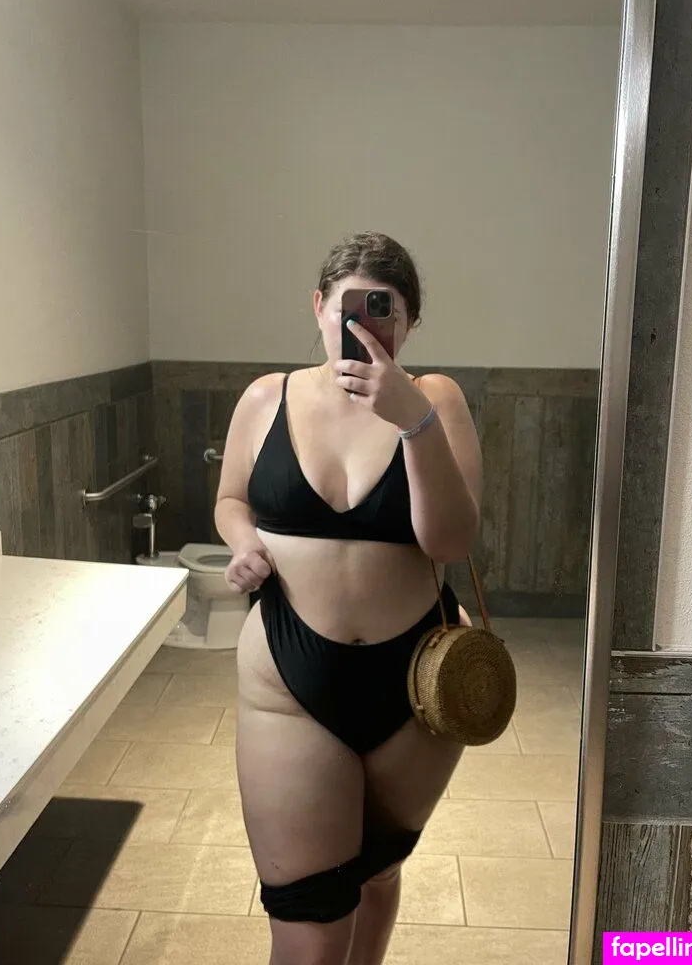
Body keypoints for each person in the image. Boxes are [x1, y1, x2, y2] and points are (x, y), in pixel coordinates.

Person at [214, 231, 483, 965]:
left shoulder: (436, 400)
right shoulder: (266, 397)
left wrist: (412, 420)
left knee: (375, 874)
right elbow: (231, 499)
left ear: (410, 322)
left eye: (384, 312)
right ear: (318, 307)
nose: (364, 328)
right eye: (349, 309)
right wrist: (243, 542)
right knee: (308, 921)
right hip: (288, 676)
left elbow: (450, 542)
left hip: (417, 680)